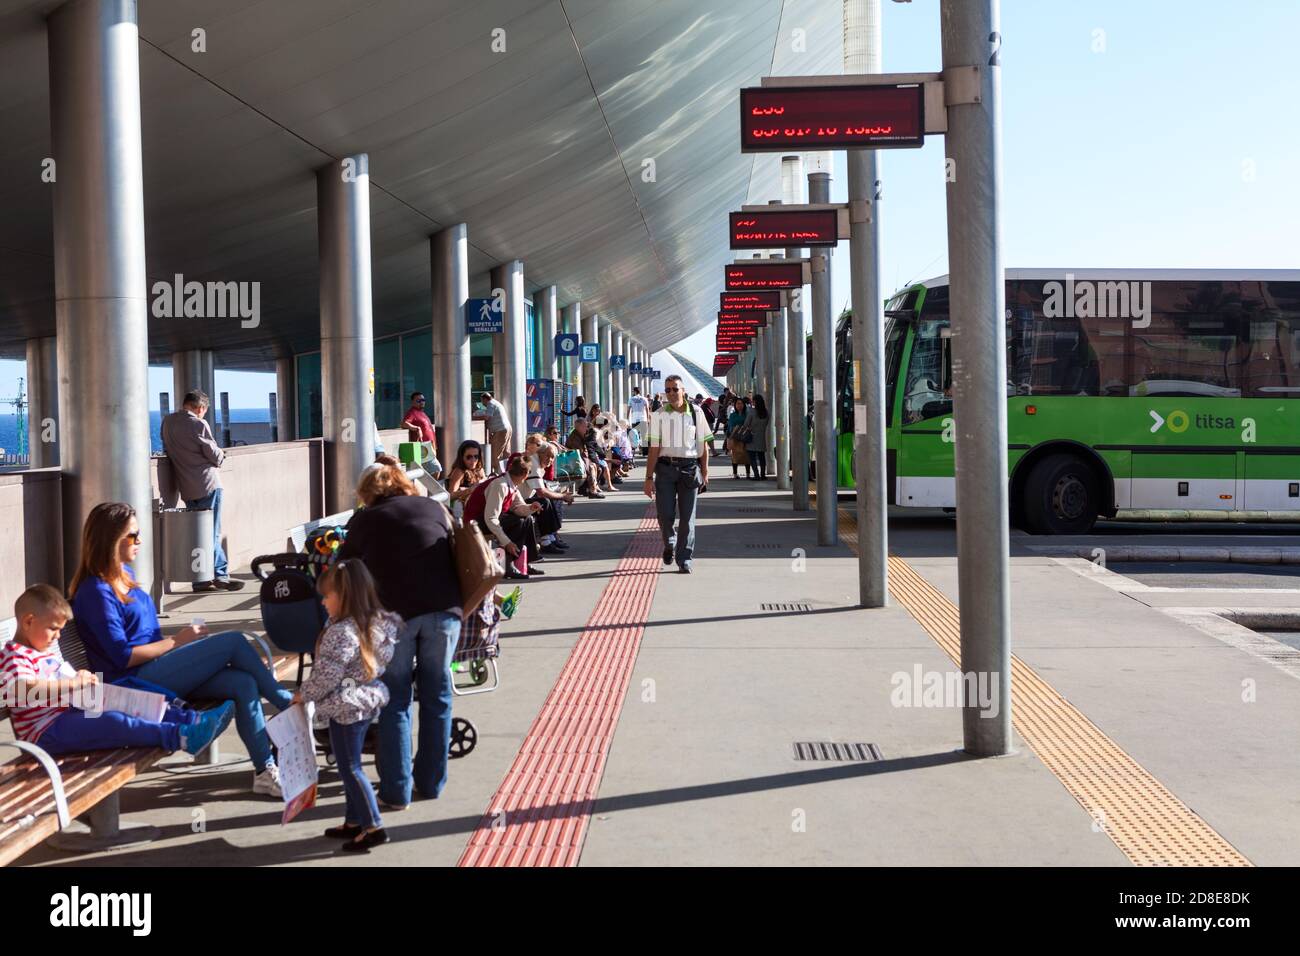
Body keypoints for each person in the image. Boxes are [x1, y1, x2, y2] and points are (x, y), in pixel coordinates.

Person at [70, 502, 294, 796]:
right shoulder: (95, 592)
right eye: (133, 536)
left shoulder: (124, 577)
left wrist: (187, 649)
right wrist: (179, 642)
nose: (139, 542)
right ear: (110, 540)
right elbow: (122, 657)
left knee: (244, 682)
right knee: (234, 641)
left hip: (157, 671)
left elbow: (148, 636)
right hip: (129, 685)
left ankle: (264, 770)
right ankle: (287, 703)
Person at [337, 463, 463, 809]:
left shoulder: (366, 520)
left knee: (395, 703)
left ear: (368, 492)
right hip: (444, 612)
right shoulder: (432, 506)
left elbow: (342, 566)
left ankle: (396, 791)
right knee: (438, 697)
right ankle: (432, 784)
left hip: (396, 620)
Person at [0, 584, 232, 758]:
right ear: (28, 621)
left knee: (130, 693)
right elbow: (23, 689)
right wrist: (73, 684)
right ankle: (181, 736)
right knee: (114, 722)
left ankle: (193, 719)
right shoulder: (14, 655)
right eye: (53, 629)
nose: (58, 636)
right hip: (45, 735)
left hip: (68, 713)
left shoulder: (40, 649)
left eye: (61, 630)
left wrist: (82, 682)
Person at [294, 560, 400, 852]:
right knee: (349, 765)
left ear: (345, 596)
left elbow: (327, 674)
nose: (323, 601)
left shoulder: (341, 632)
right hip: (363, 700)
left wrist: (303, 695)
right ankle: (354, 821)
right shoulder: (373, 622)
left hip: (346, 706)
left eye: (327, 596)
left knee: (350, 767)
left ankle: (373, 826)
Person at [160, 389, 244, 592]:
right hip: (207, 484)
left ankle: (200, 580)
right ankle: (221, 575)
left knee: (197, 534)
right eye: (204, 411)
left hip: (186, 486)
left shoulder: (168, 422)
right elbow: (214, 455)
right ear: (201, 408)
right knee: (212, 532)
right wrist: (222, 455)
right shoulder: (198, 423)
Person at [643, 374, 711, 574]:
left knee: (688, 517)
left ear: (684, 391)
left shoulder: (697, 413)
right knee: (665, 514)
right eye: (668, 390)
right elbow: (654, 449)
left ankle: (684, 558)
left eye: (675, 389)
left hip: (689, 469)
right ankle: (669, 542)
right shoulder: (658, 415)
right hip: (665, 469)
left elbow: (704, 445)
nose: (671, 393)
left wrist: (705, 471)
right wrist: (648, 479)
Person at [463, 457, 544, 580]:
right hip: (475, 523)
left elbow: (519, 507)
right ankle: (507, 565)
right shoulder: (500, 485)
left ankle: (526, 562)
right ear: (525, 474)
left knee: (526, 519)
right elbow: (490, 518)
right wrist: (507, 542)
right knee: (519, 522)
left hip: (486, 519)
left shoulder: (510, 483)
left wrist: (531, 508)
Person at [399, 391, 442, 478]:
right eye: (418, 401)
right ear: (413, 402)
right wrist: (416, 428)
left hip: (429, 447)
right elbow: (404, 423)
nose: (422, 402)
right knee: (436, 469)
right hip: (422, 447)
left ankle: (429, 491)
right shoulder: (412, 412)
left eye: (423, 400)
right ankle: (431, 491)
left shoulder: (422, 413)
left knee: (428, 471)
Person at [565, 418, 605, 499]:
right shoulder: (574, 437)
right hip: (572, 461)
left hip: (579, 459)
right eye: (585, 426)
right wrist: (589, 461)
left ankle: (584, 489)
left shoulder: (581, 435)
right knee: (592, 466)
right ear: (579, 427)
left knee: (598, 468)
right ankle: (592, 491)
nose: (586, 428)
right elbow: (579, 453)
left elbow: (588, 449)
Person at [445, 440, 487, 504]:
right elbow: (450, 496)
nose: (473, 460)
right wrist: (469, 490)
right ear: (462, 457)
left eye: (476, 456)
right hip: (464, 507)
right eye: (469, 457)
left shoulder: (479, 468)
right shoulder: (459, 471)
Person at [479, 391, 512, 466]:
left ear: (485, 399)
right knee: (506, 452)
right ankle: (508, 470)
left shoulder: (490, 404)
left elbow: (487, 417)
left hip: (500, 430)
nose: (482, 403)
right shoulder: (496, 403)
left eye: (482, 401)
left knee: (495, 453)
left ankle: (496, 472)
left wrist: (473, 417)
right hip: (507, 428)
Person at [744, 394, 771, 479]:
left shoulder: (752, 412)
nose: (752, 402)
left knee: (752, 457)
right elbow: (766, 423)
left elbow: (746, 424)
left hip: (752, 437)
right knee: (762, 457)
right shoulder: (766, 412)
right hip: (762, 437)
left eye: (753, 401)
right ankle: (763, 475)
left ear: (755, 402)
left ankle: (756, 475)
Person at [726, 397, 751, 479]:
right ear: (735, 405)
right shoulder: (733, 415)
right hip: (735, 437)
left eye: (741, 403)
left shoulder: (747, 414)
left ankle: (748, 473)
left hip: (744, 438)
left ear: (744, 405)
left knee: (746, 456)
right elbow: (730, 426)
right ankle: (735, 474)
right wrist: (729, 437)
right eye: (737, 403)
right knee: (735, 456)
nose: (739, 405)